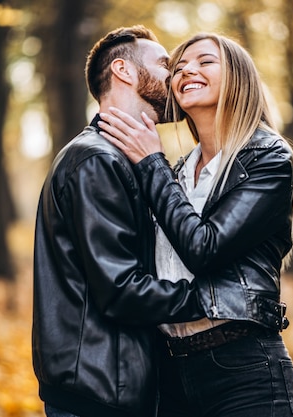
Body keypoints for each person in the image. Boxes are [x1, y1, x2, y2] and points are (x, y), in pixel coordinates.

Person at [98, 33, 293, 417]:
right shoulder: (177, 172)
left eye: (206, 61)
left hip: (244, 370)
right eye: (179, 67)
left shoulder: (269, 158)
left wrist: (151, 163)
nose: (187, 70)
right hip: (171, 373)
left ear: (238, 77)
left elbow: (204, 249)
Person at [32, 25, 204, 417]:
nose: (176, 75)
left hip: (112, 386)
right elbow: (120, 288)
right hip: (100, 392)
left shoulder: (123, 160)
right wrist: (210, 300)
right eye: (165, 64)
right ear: (124, 71)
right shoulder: (96, 160)